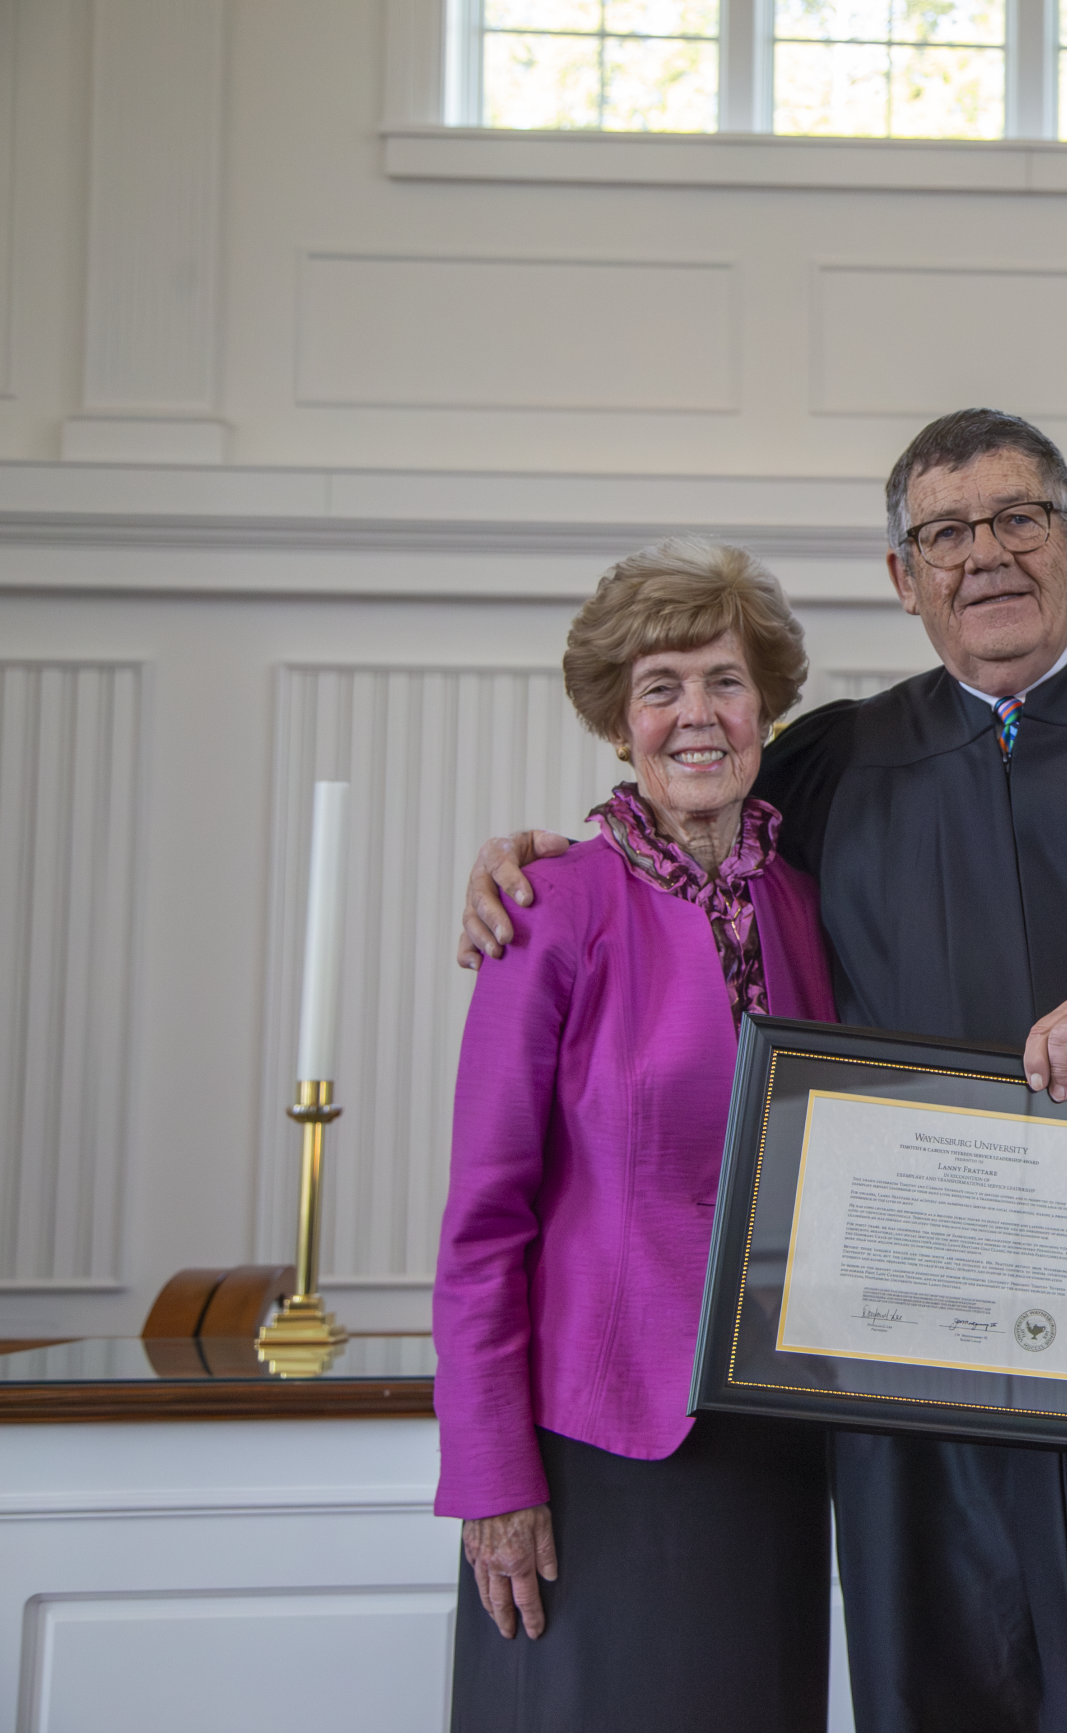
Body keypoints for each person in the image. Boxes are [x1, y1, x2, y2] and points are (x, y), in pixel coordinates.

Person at [455, 410, 1067, 1732]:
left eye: (1017, 519)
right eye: (943, 534)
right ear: (903, 579)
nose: (982, 555)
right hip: (910, 1366)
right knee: (949, 1663)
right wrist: (526, 860)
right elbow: (684, 843)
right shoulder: (842, 761)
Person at [433, 539, 838, 1730]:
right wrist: (491, 1473)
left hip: (775, 1433)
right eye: (660, 687)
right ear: (619, 722)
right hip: (593, 1444)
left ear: (765, 703)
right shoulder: (548, 907)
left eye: (722, 679)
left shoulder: (813, 900)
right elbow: (481, 1220)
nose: (696, 714)